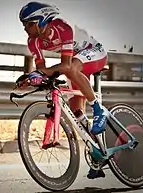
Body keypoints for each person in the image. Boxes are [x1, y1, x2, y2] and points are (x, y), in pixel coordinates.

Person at [18, 1, 109, 179]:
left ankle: (99, 110)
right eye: (24, 24)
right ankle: (98, 152)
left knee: (72, 68)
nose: (25, 28)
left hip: (93, 52)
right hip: (77, 59)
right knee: (77, 112)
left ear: (41, 20)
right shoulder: (33, 42)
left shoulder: (62, 28)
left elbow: (66, 65)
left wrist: (42, 73)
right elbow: (42, 70)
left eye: (29, 24)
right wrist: (30, 79)